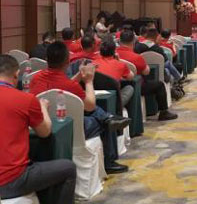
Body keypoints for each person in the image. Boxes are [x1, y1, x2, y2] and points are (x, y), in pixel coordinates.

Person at [0, 55, 83, 204]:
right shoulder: (26, 99)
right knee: (67, 168)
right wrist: (43, 108)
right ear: (17, 75)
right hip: (10, 182)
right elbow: (45, 132)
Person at [30, 41, 130, 174]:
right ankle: (109, 162)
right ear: (67, 61)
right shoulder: (70, 86)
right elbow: (90, 106)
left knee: (100, 117)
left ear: (47, 59)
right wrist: (88, 81)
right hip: (70, 127)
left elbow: (63, 85)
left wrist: (79, 74)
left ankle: (107, 118)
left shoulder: (35, 78)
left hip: (43, 123)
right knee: (102, 123)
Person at [117, 30, 178, 120]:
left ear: (119, 41)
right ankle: (163, 112)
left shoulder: (113, 54)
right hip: (137, 87)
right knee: (159, 85)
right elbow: (146, 72)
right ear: (133, 41)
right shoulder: (136, 57)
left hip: (117, 87)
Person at [93, 39, 135, 107]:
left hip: (95, 99)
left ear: (100, 52)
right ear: (114, 52)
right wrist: (119, 60)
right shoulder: (121, 64)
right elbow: (131, 77)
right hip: (116, 102)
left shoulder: (93, 63)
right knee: (130, 87)